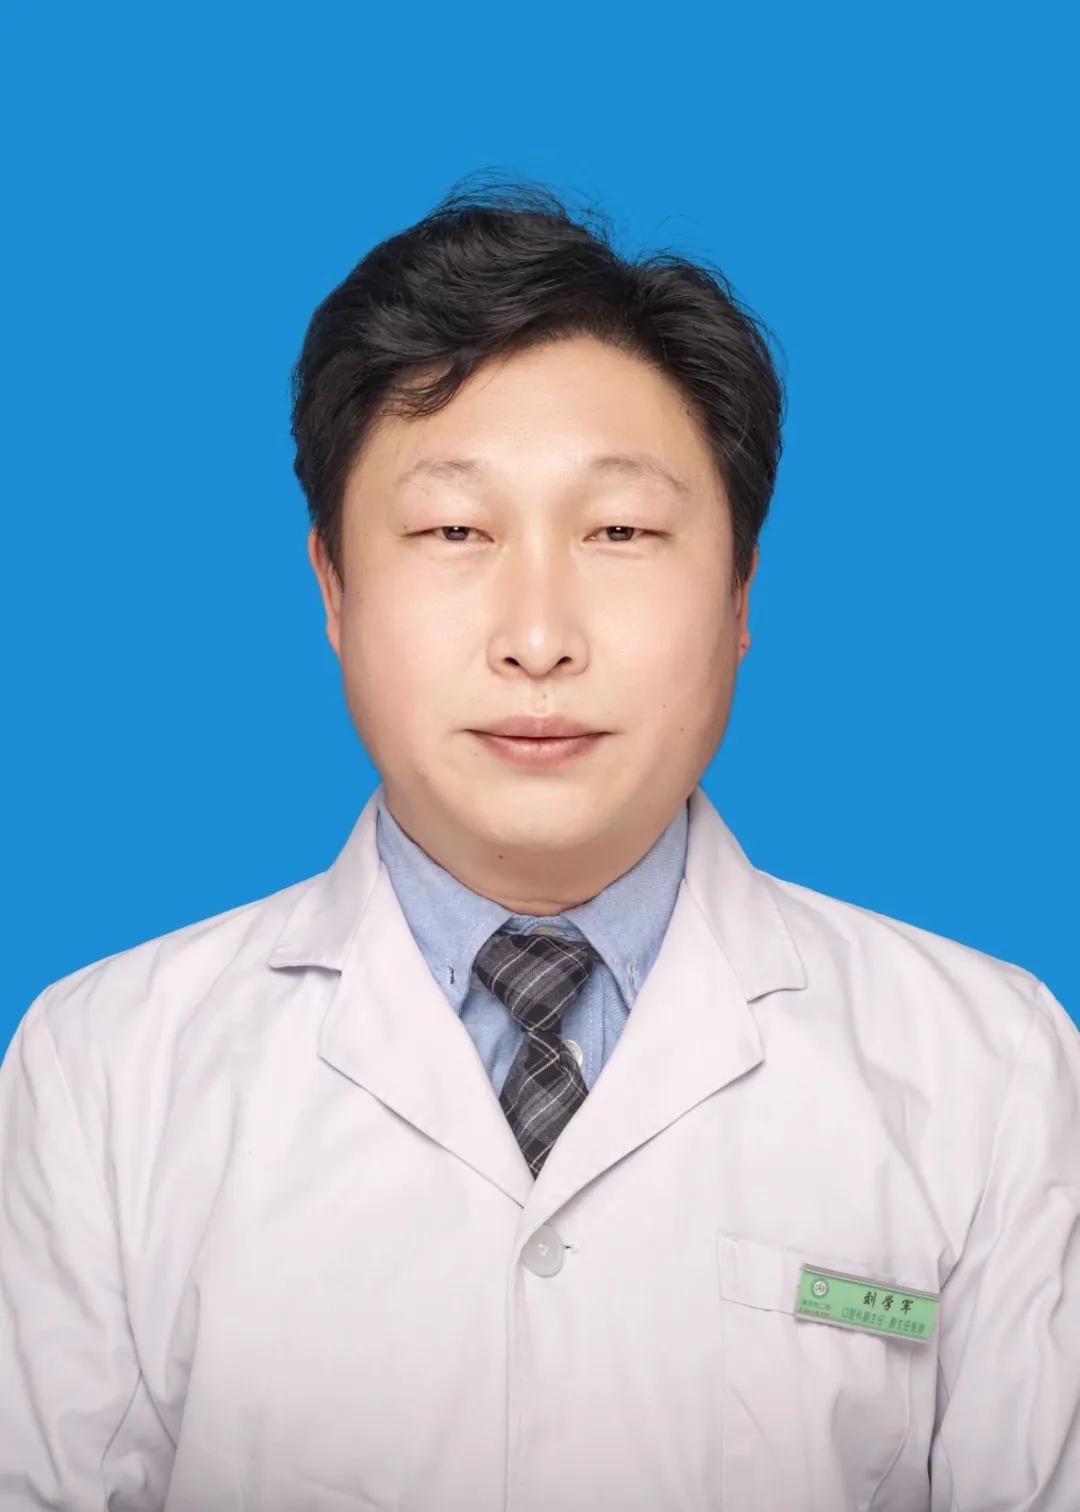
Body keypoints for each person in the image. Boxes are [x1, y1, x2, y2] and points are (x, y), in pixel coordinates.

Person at [1, 174, 1077, 1512]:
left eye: (620, 532)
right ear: (333, 587)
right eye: (455, 531)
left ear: (741, 590)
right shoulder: (105, 1072)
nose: (538, 637)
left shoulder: (987, 1068)